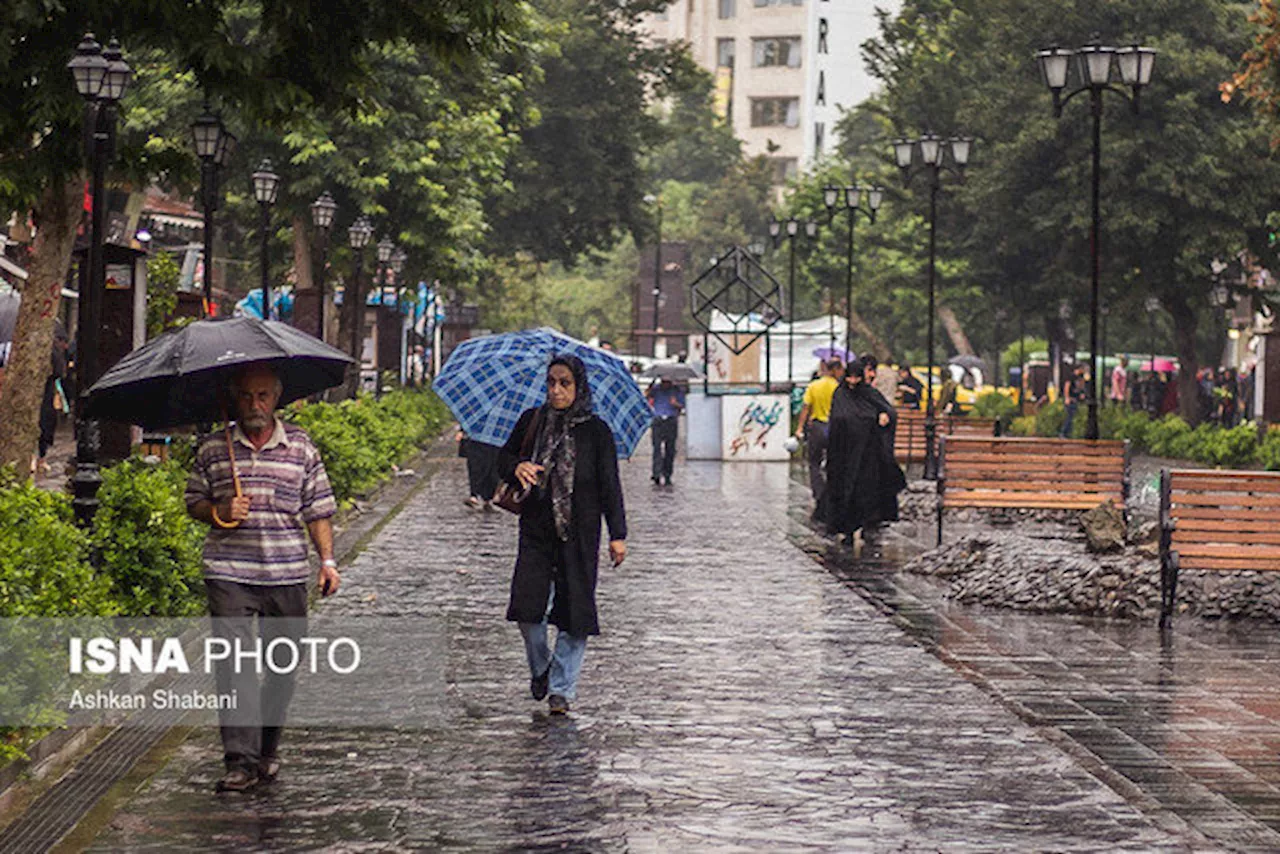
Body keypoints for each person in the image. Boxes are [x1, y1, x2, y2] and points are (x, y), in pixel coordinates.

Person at [183, 362, 340, 793]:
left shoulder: (302, 448)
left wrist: (328, 561)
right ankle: (239, 761)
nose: (255, 405)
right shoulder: (214, 448)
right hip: (229, 572)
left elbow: (319, 509)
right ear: (235, 398)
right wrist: (219, 511)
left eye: (263, 396)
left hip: (286, 571)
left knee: (281, 669)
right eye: (247, 396)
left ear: (276, 399)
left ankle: (267, 749)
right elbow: (193, 501)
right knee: (233, 667)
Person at [499, 355, 627, 715]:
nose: (556, 390)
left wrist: (618, 533)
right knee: (527, 609)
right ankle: (542, 668)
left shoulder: (596, 431)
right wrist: (517, 466)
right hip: (537, 529)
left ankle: (561, 689)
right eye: (552, 382)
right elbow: (503, 459)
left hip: (580, 533)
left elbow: (609, 485)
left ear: (579, 386)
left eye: (565, 383)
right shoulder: (533, 421)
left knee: (576, 614)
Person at [819, 355, 906, 546]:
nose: (852, 382)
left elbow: (888, 411)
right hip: (844, 455)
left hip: (867, 456)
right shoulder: (840, 394)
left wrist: (883, 415)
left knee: (865, 492)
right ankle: (845, 529)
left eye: (856, 378)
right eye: (849, 377)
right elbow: (839, 418)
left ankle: (866, 524)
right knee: (844, 491)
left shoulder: (868, 393)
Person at [793, 359, 842, 508]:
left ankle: (819, 493)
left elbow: (806, 408)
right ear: (835, 370)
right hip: (834, 427)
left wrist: (800, 427)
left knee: (814, 462)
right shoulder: (838, 387)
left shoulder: (814, 386)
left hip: (817, 427)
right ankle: (833, 491)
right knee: (835, 462)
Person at [35, 321, 68, 475]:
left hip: (38, 396)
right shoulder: (54, 350)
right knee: (44, 425)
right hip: (45, 396)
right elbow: (59, 372)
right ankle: (40, 458)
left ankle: (35, 459)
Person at [646, 376, 684, 486]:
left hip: (671, 420)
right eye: (663, 381)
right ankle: (656, 473)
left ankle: (667, 475)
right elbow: (647, 397)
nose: (664, 384)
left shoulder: (676, 390)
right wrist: (650, 387)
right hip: (658, 420)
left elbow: (682, 405)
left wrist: (675, 403)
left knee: (670, 449)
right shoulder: (656, 388)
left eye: (666, 382)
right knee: (656, 448)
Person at [460, 433, 501, 510]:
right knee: (475, 466)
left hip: (495, 442)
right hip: (477, 440)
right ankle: (474, 494)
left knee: (492, 469)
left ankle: (487, 498)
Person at [1059, 365, 1085, 437]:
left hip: (1075, 399)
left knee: (1073, 416)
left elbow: (1081, 387)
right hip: (1070, 399)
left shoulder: (1080, 377)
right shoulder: (1071, 376)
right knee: (1069, 416)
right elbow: (1066, 387)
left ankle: (1069, 433)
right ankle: (1063, 433)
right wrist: (1067, 397)